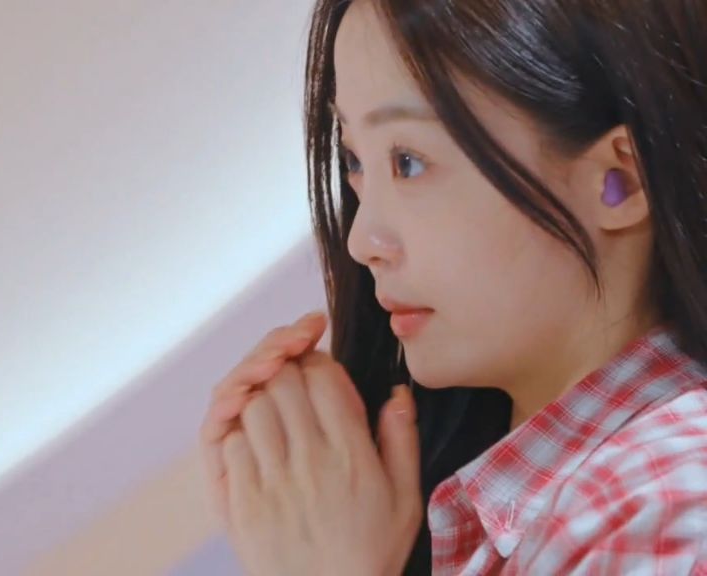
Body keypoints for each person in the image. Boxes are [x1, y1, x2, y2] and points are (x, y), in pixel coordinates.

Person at [199, 0, 707, 574]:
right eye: (354, 160)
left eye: (409, 162)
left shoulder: (660, 510)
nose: (362, 241)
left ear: (619, 181)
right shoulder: (511, 510)